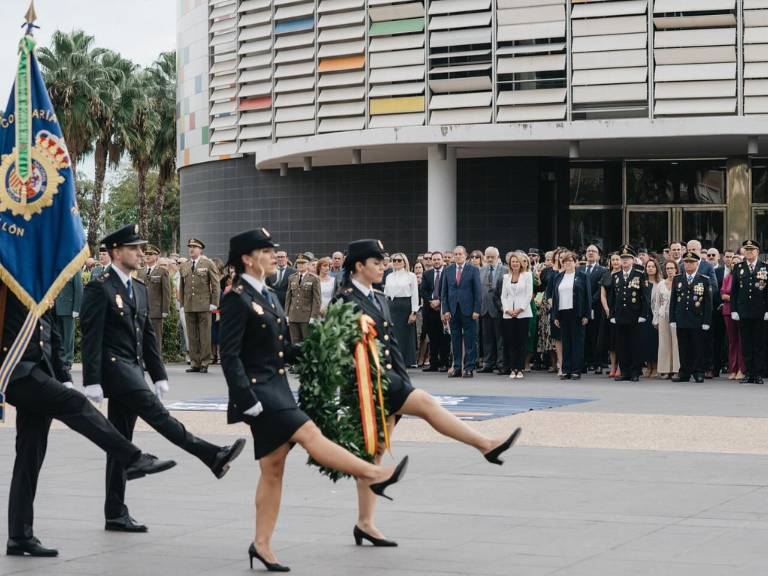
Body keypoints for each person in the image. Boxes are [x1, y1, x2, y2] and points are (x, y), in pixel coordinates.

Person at [219, 231, 409, 571]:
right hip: (257, 392)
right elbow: (229, 354)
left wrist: (323, 345)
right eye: (265, 251)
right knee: (308, 433)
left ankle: (260, 545)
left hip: (276, 387)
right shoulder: (237, 297)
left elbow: (283, 349)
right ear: (247, 259)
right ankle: (376, 473)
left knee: (273, 469)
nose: (273, 256)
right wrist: (243, 398)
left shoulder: (270, 295)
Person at [335, 239, 521, 548]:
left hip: (389, 378)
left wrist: (402, 378)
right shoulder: (345, 300)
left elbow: (392, 345)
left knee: (376, 451)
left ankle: (365, 522)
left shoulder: (378, 298)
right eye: (377, 262)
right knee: (423, 403)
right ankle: (485, 444)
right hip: (367, 384)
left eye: (383, 262)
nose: (383, 266)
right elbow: (336, 347)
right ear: (358, 267)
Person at [80, 224, 247, 533]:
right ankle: (211, 454)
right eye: (135, 248)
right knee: (158, 415)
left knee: (120, 442)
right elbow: (91, 335)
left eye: (142, 249)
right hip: (115, 369)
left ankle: (115, 512)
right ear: (117, 252)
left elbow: (148, 338)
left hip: (133, 367)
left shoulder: (139, 288)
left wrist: (158, 373)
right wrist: (92, 379)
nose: (141, 254)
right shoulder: (99, 286)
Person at [1, 281, 176, 557]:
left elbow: (53, 334)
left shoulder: (37, 282)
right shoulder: (10, 276)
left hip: (40, 371)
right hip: (17, 372)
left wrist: (64, 378)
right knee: (77, 406)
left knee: (29, 455)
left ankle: (19, 536)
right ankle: (132, 458)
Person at [670, 251, 713, 383]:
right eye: (686, 262)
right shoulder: (677, 279)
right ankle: (684, 372)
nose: (688, 264)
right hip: (682, 318)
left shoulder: (704, 279)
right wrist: (672, 319)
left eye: (691, 262)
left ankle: (698, 371)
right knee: (683, 347)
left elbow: (708, 303)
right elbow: (673, 301)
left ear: (697, 264)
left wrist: (706, 321)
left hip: (697, 319)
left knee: (697, 347)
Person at [179, 238, 221, 373]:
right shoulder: (184, 265)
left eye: (194, 247)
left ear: (200, 250)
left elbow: (216, 285)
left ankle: (204, 362)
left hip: (204, 304)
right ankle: (195, 362)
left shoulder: (208, 263)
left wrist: (214, 303)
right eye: (190, 247)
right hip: (189, 304)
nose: (191, 249)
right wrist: (182, 303)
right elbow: (182, 286)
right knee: (192, 335)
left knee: (204, 335)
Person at [730, 240, 768, 384]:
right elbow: (734, 291)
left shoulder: (764, 267)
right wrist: (734, 309)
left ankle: (757, 374)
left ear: (758, 252)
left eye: (752, 250)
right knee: (746, 344)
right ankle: (748, 373)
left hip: (760, 312)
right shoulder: (739, 267)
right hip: (743, 311)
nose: (749, 252)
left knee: (759, 344)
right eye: (747, 250)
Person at [608, 245, 648, 382]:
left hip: (635, 315)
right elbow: (612, 298)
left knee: (635, 344)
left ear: (632, 260)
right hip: (620, 316)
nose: (624, 261)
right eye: (622, 258)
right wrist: (612, 315)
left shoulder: (639, 274)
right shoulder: (616, 276)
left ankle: (635, 371)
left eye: (627, 258)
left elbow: (644, 296)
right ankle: (624, 371)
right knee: (621, 345)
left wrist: (643, 314)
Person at [441, 246, 482, 378]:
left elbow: (478, 292)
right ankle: (457, 367)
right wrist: (445, 310)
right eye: (456, 254)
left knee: (470, 340)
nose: (458, 256)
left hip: (469, 310)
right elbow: (444, 293)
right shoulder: (448, 270)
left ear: (466, 255)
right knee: (455, 340)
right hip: (453, 310)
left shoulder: (473, 270)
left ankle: (469, 368)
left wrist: (476, 309)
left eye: (460, 254)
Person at [552, 252, 590, 380]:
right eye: (565, 261)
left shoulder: (582, 276)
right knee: (566, 342)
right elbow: (555, 297)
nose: (568, 263)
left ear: (575, 262)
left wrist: (586, 314)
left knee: (577, 342)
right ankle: (566, 369)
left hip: (577, 312)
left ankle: (576, 370)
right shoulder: (558, 277)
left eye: (570, 261)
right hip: (563, 312)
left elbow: (587, 297)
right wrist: (555, 315)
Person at [499, 251, 532, 379]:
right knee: (510, 341)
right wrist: (507, 309)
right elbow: (503, 296)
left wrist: (519, 309)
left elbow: (529, 294)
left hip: (523, 313)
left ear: (521, 263)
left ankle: (520, 368)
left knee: (521, 341)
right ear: (510, 264)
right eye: (513, 262)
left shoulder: (527, 275)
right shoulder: (506, 277)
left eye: (517, 261)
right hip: (508, 314)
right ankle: (513, 368)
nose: (515, 264)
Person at [384, 253, 419, 367]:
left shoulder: (411, 275)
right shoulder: (389, 276)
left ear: (404, 262)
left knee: (405, 336)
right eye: (394, 260)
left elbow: (415, 294)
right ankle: (393, 360)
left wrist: (414, 312)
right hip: (391, 306)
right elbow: (385, 294)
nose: (396, 263)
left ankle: (406, 361)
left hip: (405, 306)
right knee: (392, 334)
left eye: (399, 260)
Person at [136, 244, 172, 351]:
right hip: (142, 310)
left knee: (156, 337)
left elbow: (166, 292)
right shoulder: (140, 271)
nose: (147, 256)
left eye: (151, 254)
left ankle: (156, 360)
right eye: (146, 254)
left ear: (157, 256)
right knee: (142, 336)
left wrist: (165, 310)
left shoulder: (162, 271)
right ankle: (143, 360)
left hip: (156, 310)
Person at [420, 251, 450, 372]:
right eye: (434, 259)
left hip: (443, 309)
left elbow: (448, 290)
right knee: (432, 337)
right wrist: (431, 302)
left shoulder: (448, 272)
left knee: (444, 337)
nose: (436, 261)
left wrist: (440, 302)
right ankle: (433, 364)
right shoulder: (427, 274)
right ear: (431, 261)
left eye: (438, 259)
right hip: (430, 309)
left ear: (442, 260)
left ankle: (444, 363)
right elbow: (423, 290)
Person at [479, 247, 507, 374]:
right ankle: (488, 363)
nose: (490, 259)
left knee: (500, 338)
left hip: (500, 309)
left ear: (498, 257)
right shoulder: (481, 270)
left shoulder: (505, 270)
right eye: (488, 257)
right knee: (487, 338)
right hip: (485, 309)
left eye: (492, 257)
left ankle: (501, 364)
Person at [284, 253, 322, 343]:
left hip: (306, 316)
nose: (300, 265)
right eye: (298, 263)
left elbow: (317, 300)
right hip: (293, 315)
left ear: (308, 264)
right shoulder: (291, 278)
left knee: (307, 342)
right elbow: (288, 297)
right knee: (295, 342)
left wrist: (313, 316)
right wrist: (286, 314)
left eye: (303, 263)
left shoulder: (314, 279)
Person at [652, 260, 681, 379]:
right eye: (668, 268)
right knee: (664, 342)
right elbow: (656, 303)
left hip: (677, 316)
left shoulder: (680, 282)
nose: (670, 271)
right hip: (663, 315)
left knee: (676, 342)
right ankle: (664, 369)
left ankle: (676, 369)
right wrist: (656, 319)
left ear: (676, 269)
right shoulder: (661, 284)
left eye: (672, 268)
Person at [583, 245, 608, 374]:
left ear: (599, 255)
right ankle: (587, 361)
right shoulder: (580, 269)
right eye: (588, 251)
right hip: (582, 309)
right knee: (584, 335)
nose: (591, 253)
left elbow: (600, 290)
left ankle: (598, 361)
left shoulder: (603, 270)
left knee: (596, 335)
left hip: (596, 307)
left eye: (594, 251)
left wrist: (590, 302)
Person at [721, 254, 745, 380]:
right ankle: (733, 368)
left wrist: (732, 298)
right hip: (728, 312)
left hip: (742, 312)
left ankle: (741, 369)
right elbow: (723, 295)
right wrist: (735, 298)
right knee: (732, 341)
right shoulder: (727, 277)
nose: (734, 264)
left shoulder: (744, 276)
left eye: (737, 262)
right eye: (733, 262)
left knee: (742, 341)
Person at [52, 271, 82, 371]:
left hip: (68, 309)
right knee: (58, 336)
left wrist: (76, 309)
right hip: (56, 308)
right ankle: (60, 359)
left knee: (68, 337)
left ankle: (68, 360)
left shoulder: (75, 269)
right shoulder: (57, 267)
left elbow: (78, 289)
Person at [601, 252, 622, 377]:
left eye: (617, 259)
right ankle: (613, 366)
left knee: (620, 340)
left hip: (620, 311)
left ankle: (620, 366)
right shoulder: (606, 275)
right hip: (608, 311)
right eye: (613, 260)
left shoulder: (623, 275)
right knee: (611, 341)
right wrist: (606, 309)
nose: (615, 262)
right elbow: (602, 294)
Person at [641, 259, 661, 378]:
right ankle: (648, 366)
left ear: (656, 268)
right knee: (646, 342)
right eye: (648, 266)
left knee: (655, 342)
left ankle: (656, 366)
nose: (650, 268)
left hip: (656, 316)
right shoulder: (643, 283)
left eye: (653, 266)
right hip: (645, 316)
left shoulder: (660, 283)